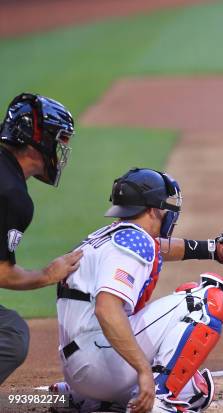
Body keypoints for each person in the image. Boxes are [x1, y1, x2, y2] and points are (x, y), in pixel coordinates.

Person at [51, 167, 223, 413]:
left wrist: (213, 250)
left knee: (196, 390)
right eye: (165, 206)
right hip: (99, 364)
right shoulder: (136, 242)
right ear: (154, 209)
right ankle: (160, 401)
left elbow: (160, 247)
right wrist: (144, 372)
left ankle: (90, 400)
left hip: (79, 371)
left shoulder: (109, 237)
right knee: (204, 300)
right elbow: (106, 308)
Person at [0, 93, 82, 385]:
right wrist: (47, 275)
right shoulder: (12, 195)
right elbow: (2, 273)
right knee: (11, 334)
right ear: (38, 139)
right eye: (59, 139)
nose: (60, 149)